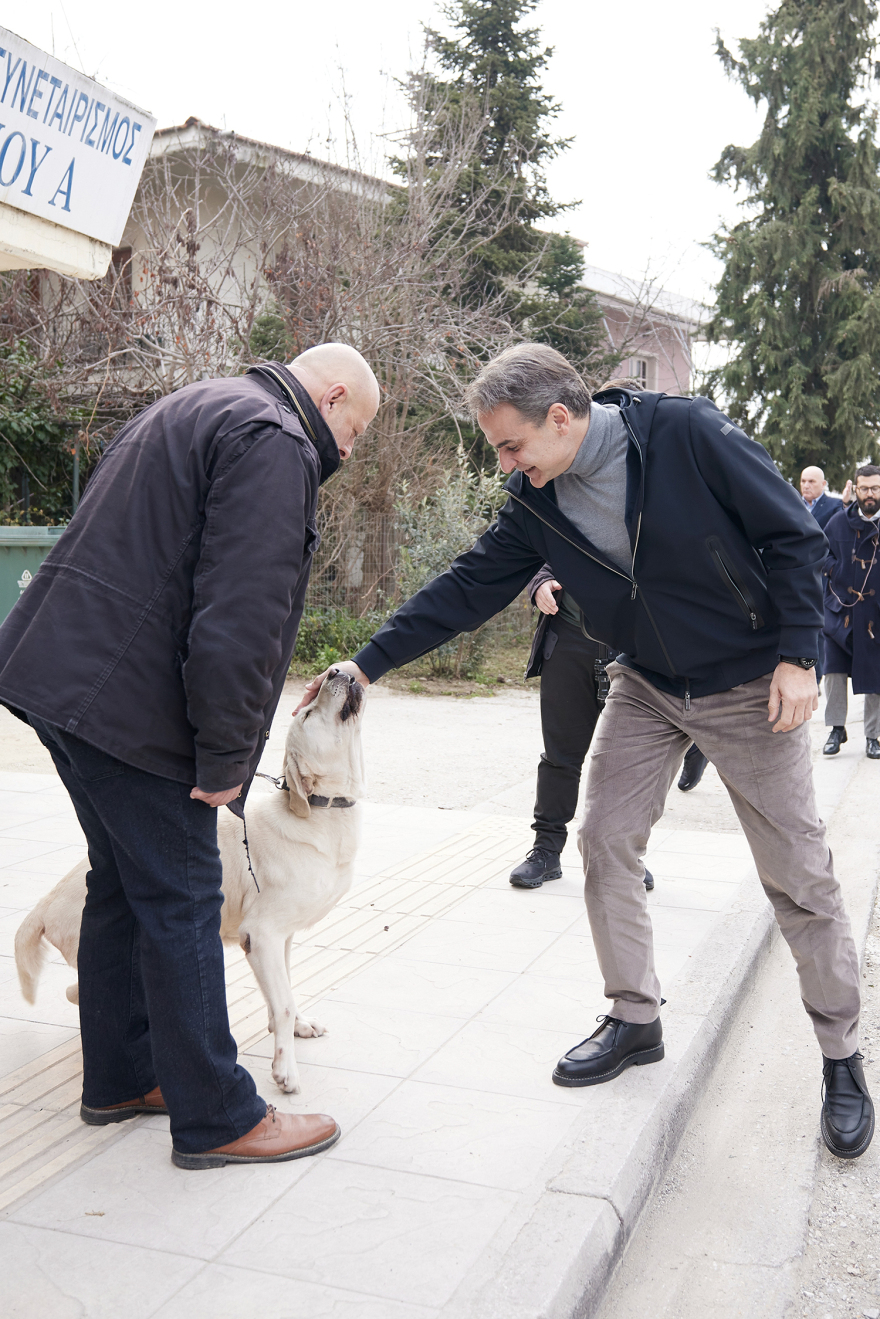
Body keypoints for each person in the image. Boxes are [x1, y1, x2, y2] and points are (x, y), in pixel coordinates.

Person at [300, 343, 873, 1161]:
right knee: (603, 839)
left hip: (750, 681)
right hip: (645, 679)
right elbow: (466, 586)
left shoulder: (683, 433)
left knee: (799, 875)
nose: (505, 463)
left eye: (510, 445)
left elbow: (794, 538)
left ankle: (842, 1056)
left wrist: (799, 653)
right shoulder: (534, 500)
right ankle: (635, 1016)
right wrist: (365, 663)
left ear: (560, 419)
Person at [0, 344, 380, 1169]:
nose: (344, 455)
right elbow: (240, 616)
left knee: (122, 885)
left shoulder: (196, 404)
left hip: (63, 678)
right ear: (335, 393)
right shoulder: (278, 439)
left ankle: (123, 1076)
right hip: (128, 703)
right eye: (352, 433)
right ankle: (218, 1114)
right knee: (183, 893)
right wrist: (222, 757)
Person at [821, 464, 880, 761]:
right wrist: (836, 569)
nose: (869, 494)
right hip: (840, 611)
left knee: (876, 676)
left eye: (875, 488)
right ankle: (835, 728)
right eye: (864, 488)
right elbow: (820, 552)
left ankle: (873, 735)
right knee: (832, 671)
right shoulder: (837, 522)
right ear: (854, 489)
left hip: (875, 614)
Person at [800, 465, 844, 529]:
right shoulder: (792, 504)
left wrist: (846, 503)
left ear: (823, 484)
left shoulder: (835, 506)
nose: (806, 486)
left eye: (811, 481)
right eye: (803, 481)